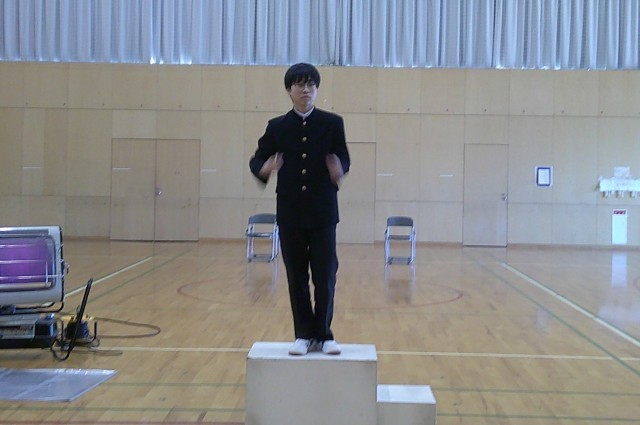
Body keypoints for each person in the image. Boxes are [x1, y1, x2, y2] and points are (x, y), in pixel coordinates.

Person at [249, 63, 350, 356]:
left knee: (325, 274)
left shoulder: (332, 123)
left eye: (311, 85)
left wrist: (339, 168)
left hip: (323, 212)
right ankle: (303, 335)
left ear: (316, 89)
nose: (306, 90)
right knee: (296, 277)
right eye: (299, 85)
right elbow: (257, 160)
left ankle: (325, 334)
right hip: (291, 212)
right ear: (289, 90)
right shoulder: (277, 126)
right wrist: (266, 167)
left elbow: (343, 156)